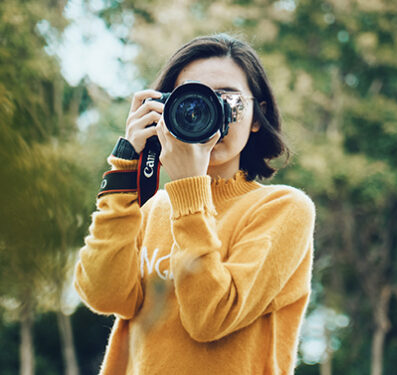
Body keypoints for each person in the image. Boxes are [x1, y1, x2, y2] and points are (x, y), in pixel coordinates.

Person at [74, 34, 315, 374]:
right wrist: (126, 167)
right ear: (163, 109)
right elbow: (103, 295)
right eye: (191, 100)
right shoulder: (149, 207)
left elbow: (210, 318)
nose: (208, 112)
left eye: (226, 99)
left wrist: (189, 190)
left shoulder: (283, 209)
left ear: (257, 117)